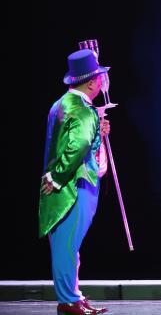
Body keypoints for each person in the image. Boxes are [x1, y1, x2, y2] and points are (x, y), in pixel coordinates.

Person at [39, 49, 111, 315]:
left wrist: (98, 133)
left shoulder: (64, 103)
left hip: (70, 183)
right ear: (91, 82)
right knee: (66, 246)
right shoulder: (81, 109)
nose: (102, 82)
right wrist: (58, 176)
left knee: (69, 246)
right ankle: (68, 301)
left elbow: (73, 140)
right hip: (74, 186)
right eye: (100, 77)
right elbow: (78, 145)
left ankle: (73, 296)